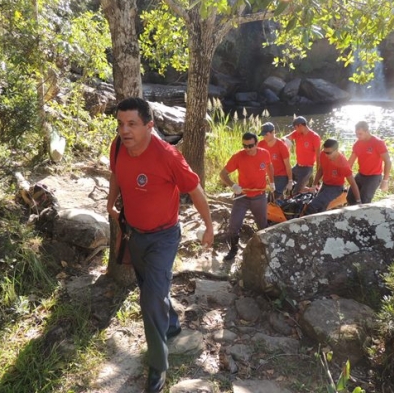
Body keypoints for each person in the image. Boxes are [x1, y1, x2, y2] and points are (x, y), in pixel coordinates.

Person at [107, 97, 214, 393]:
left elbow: (195, 189)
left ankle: (158, 366)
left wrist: (208, 226)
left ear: (149, 126)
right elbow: (116, 172)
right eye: (120, 123)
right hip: (134, 233)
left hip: (164, 237)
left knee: (149, 299)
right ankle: (170, 322)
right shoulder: (118, 146)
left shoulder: (167, 155)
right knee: (149, 289)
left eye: (131, 124)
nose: (124, 130)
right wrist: (110, 204)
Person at [220, 132, 274, 261]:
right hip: (242, 197)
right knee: (234, 225)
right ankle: (233, 249)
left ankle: (265, 249)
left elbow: (269, 166)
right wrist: (233, 186)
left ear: (256, 143)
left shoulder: (264, 153)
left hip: (259, 196)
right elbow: (223, 174)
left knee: (262, 224)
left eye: (250, 146)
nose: (248, 149)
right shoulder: (238, 156)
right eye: (245, 146)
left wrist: (272, 182)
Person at [306, 138, 361, 215]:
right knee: (321, 208)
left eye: (328, 153)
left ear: (336, 150)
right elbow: (320, 170)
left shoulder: (343, 164)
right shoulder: (323, 154)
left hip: (336, 188)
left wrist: (358, 201)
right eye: (325, 152)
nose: (326, 154)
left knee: (312, 205)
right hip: (325, 185)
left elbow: (353, 183)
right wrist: (314, 185)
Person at [346, 121, 392, 205]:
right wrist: (343, 175)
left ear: (367, 131)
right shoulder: (357, 144)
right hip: (360, 175)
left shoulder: (378, 143)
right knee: (350, 197)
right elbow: (350, 161)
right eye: (356, 134)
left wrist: (385, 180)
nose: (358, 136)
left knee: (364, 200)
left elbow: (387, 161)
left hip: (373, 177)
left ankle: (362, 216)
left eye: (360, 134)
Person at [283, 116, 321, 193]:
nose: (295, 129)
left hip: (307, 169)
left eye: (295, 127)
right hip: (297, 167)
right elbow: (286, 138)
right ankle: (310, 190)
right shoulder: (297, 133)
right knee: (284, 179)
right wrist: (284, 141)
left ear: (300, 125)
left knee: (297, 191)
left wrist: (318, 175)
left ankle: (313, 190)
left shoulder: (314, 137)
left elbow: (318, 156)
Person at [258, 122, 293, 198]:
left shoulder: (281, 146)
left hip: (281, 175)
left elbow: (288, 165)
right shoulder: (261, 144)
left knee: (275, 196)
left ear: (273, 132)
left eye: (266, 135)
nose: (264, 137)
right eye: (263, 135)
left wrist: (290, 181)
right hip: (269, 175)